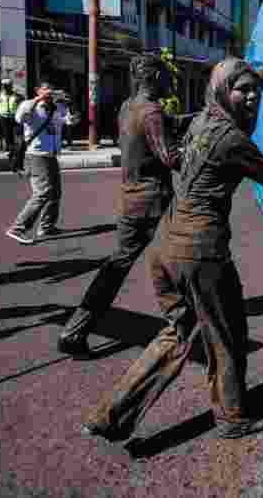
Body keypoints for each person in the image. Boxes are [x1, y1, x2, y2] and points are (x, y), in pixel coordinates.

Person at [83, 43, 263, 441]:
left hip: (166, 247)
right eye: (243, 90)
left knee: (177, 331)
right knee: (227, 333)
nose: (251, 95)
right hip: (200, 253)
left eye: (254, 88)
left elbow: (239, 87)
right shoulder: (232, 141)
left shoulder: (201, 121)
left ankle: (110, 414)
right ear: (223, 93)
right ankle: (233, 417)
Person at [57, 55, 183, 359]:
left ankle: (75, 330)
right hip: (153, 203)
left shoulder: (129, 106)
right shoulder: (152, 111)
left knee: (115, 269)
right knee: (184, 260)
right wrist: (202, 149)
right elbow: (171, 158)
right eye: (166, 77)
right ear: (153, 78)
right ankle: (188, 325)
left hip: (131, 202)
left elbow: (165, 127)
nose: (170, 82)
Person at [6, 80, 80, 244]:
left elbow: (72, 120)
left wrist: (70, 104)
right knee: (43, 192)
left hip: (51, 155)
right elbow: (19, 118)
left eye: (51, 90)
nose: (49, 93)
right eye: (46, 90)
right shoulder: (29, 105)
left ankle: (46, 226)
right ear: (37, 90)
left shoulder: (57, 108)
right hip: (35, 155)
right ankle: (18, 228)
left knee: (55, 193)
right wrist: (39, 99)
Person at [0, 78, 22, 158]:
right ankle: (9, 149)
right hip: (3, 117)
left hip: (15, 117)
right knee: (7, 134)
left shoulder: (17, 96)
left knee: (17, 134)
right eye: (4, 86)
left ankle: (17, 149)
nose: (6, 88)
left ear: (11, 86)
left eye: (8, 86)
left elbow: (22, 106)